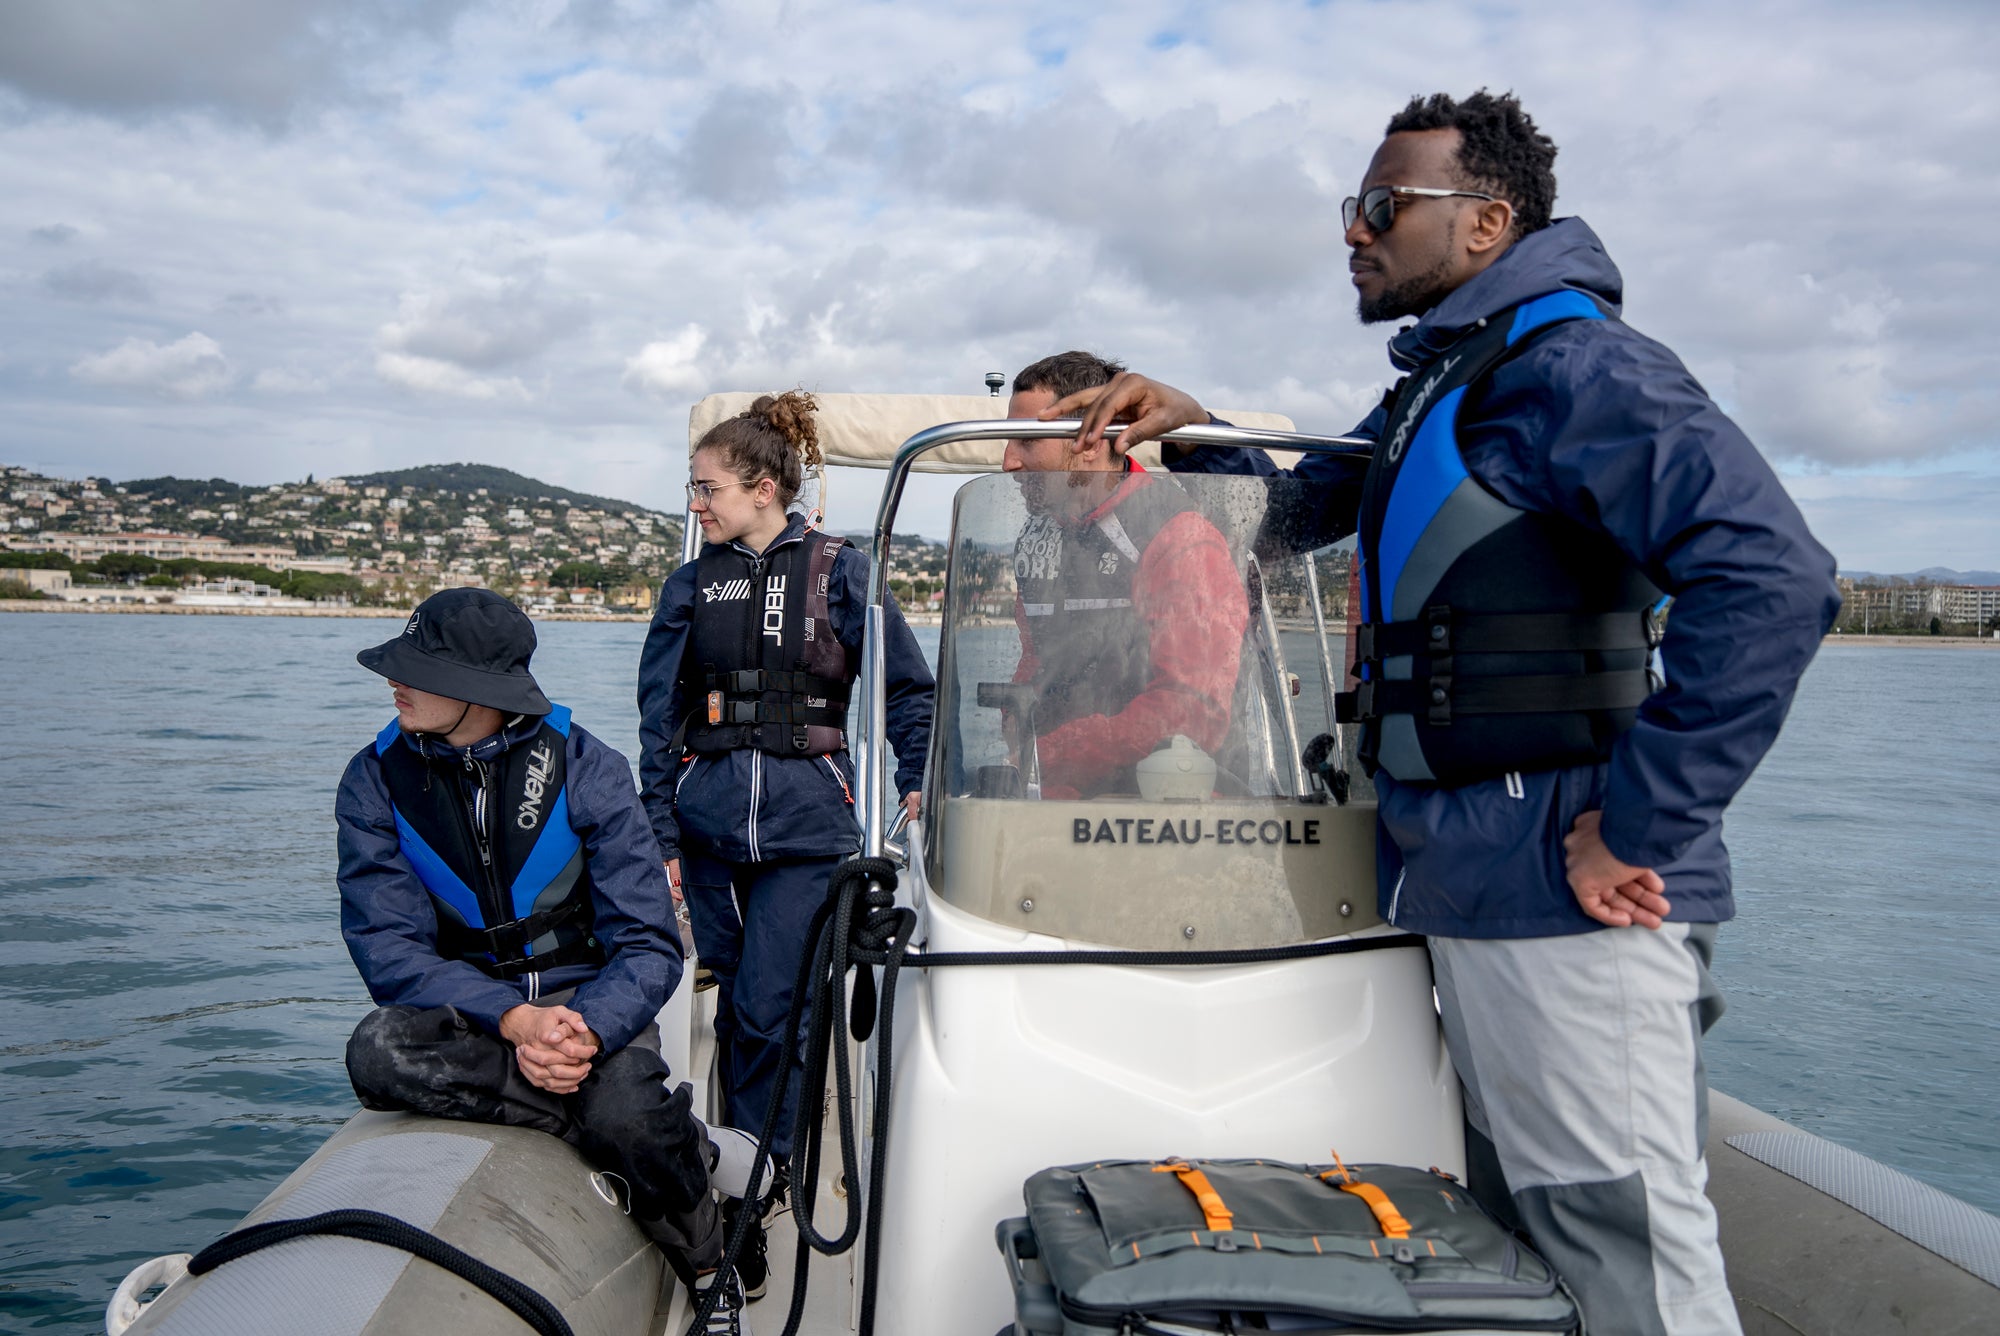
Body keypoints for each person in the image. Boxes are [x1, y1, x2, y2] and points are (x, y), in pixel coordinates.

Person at [1046, 91, 1842, 1336]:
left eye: (1380, 207)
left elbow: (1776, 580)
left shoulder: (1578, 370)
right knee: (1526, 1250)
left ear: (1486, 220)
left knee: (1623, 1244)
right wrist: (1191, 428)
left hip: (1568, 891)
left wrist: (1637, 825)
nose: (1352, 234)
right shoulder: (1447, 382)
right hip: (1468, 880)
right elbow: (1299, 513)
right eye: (1349, 208)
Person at [336, 587, 754, 1335]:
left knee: (625, 1110)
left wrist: (584, 1031)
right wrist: (517, 1021)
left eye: (416, 667)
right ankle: (661, 1134)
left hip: (591, 1004)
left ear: (478, 689)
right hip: (475, 1014)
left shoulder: (587, 765)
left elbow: (649, 943)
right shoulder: (373, 779)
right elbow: (388, 950)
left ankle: (706, 1263)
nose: (392, 680)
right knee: (376, 1052)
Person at [638, 390, 934, 1301]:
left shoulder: (841, 572)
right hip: (711, 829)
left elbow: (906, 691)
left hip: (809, 833)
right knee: (740, 1017)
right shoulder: (691, 585)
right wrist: (660, 831)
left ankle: (756, 1198)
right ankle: (749, 1171)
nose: (696, 506)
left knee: (772, 1010)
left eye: (707, 489)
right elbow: (659, 714)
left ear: (762, 487)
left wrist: (917, 777)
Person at [999, 351, 1248, 799]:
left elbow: (1192, 709)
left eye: (1026, 442)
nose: (1007, 463)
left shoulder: (1178, 535)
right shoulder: (1037, 537)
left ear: (1091, 440)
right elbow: (1035, 661)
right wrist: (1021, 742)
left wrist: (1052, 753)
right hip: (1056, 803)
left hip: (1161, 813)